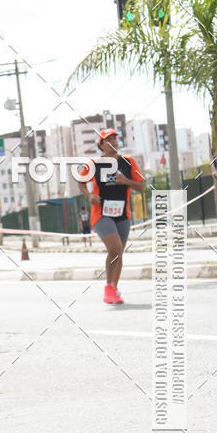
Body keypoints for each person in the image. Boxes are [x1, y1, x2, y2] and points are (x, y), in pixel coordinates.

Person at [76, 129, 144, 304]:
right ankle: (108, 287)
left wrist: (126, 181)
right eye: (109, 139)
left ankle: (114, 288)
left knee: (119, 253)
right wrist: (89, 196)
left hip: (123, 214)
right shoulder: (93, 164)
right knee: (114, 249)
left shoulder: (128, 162)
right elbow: (81, 182)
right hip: (101, 214)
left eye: (115, 138)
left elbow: (141, 186)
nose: (113, 142)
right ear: (101, 145)